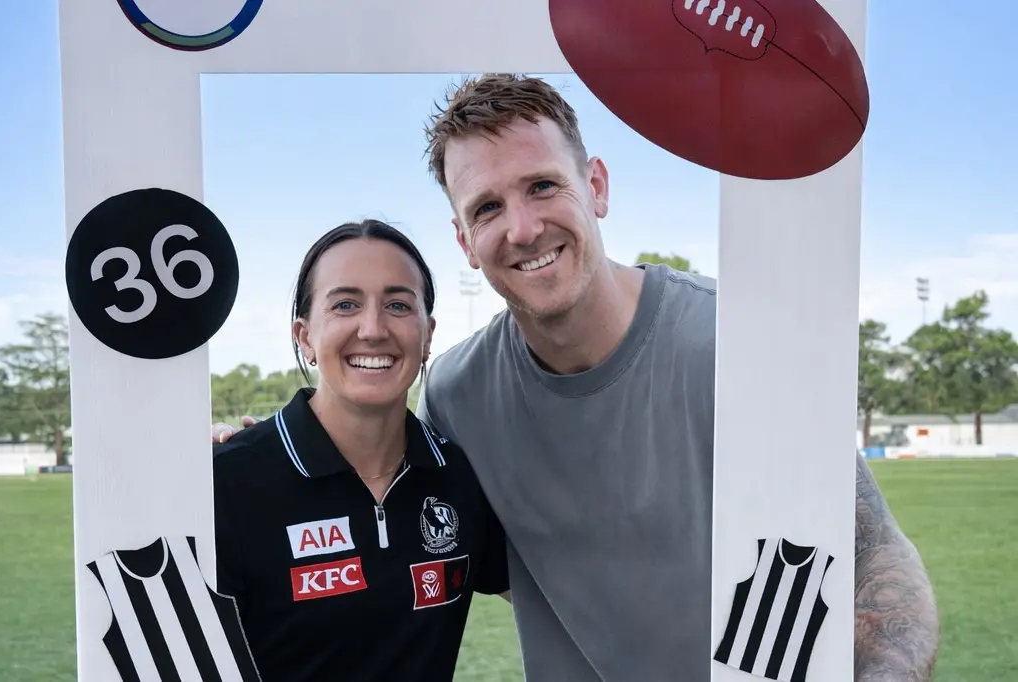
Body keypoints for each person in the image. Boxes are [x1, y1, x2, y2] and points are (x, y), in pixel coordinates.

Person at [214, 75, 940, 680]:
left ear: (596, 185)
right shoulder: (458, 394)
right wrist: (253, 459)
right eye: (488, 207)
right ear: (465, 241)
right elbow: (391, 492)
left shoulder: (739, 344)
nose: (523, 228)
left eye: (542, 186)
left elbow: (876, 561)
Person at [211, 219, 509, 682]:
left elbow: (559, 589)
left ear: (427, 335)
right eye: (345, 304)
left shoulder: (460, 475)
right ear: (305, 336)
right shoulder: (227, 483)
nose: (372, 329)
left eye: (397, 304)